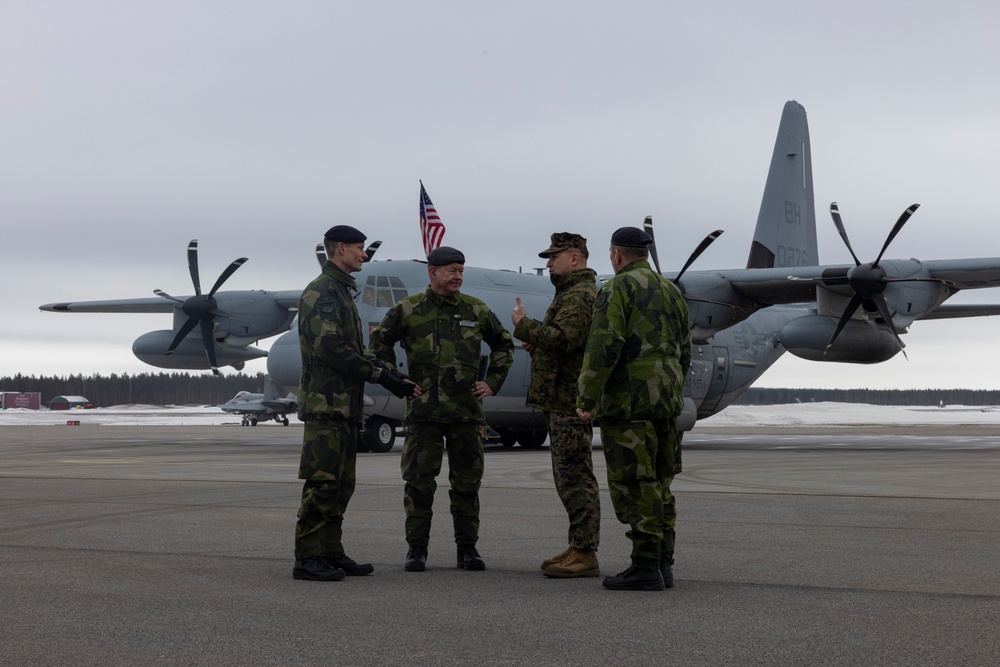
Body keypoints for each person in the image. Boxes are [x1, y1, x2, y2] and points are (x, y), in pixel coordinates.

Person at [370, 246, 514, 573]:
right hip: (423, 414)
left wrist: (492, 382)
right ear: (432, 272)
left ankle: (468, 549)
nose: (458, 276)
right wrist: (396, 380)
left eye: (461, 270)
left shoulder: (476, 310)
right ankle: (416, 550)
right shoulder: (408, 309)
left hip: (465, 414)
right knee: (419, 484)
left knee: (467, 484)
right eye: (451, 270)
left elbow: (504, 344)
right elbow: (379, 344)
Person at [292, 224, 418, 582]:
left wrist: (390, 374)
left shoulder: (342, 292)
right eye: (360, 248)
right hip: (326, 406)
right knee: (322, 482)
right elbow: (330, 348)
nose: (364, 254)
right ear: (341, 249)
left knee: (341, 484)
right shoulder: (323, 292)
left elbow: (355, 349)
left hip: (345, 406)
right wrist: (381, 376)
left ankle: (330, 551)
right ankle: (307, 557)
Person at [576, 226, 691, 592]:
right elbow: (684, 350)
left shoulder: (615, 289)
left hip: (628, 404)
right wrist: (669, 386)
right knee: (661, 483)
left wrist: (587, 398)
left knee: (635, 484)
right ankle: (662, 563)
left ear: (616, 254)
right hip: (666, 402)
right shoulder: (672, 290)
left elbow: (604, 343)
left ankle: (644, 567)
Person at [511, 232, 601, 578]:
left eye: (554, 257)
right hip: (561, 400)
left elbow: (564, 340)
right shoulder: (568, 294)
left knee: (575, 476)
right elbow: (565, 343)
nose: (548, 263)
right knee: (567, 476)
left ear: (574, 258)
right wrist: (539, 342)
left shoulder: (579, 295)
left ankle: (585, 552)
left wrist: (525, 327)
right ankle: (578, 545)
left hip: (569, 402)